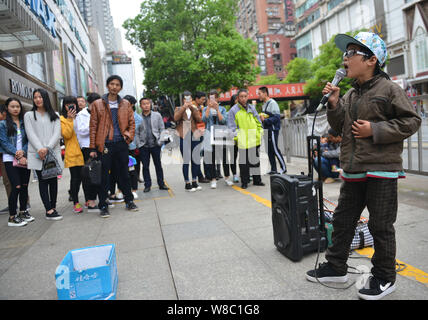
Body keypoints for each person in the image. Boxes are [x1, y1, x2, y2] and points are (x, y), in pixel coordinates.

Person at [305, 32, 421, 300]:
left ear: (371, 60)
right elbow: (338, 126)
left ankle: (384, 277)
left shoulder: (390, 90)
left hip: (381, 169)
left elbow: (412, 121)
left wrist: (375, 129)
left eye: (351, 53)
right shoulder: (350, 94)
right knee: (344, 219)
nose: (345, 58)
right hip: (354, 168)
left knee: (380, 225)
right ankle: (336, 266)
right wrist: (334, 104)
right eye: (345, 54)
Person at [89, 75, 138, 217]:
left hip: (121, 144)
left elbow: (131, 123)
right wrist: (93, 148)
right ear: (107, 85)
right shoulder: (98, 104)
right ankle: (103, 205)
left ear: (120, 87)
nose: (114, 87)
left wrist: (127, 137)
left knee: (124, 174)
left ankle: (129, 201)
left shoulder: (126, 104)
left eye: (117, 84)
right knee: (104, 177)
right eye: (112, 84)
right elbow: (93, 127)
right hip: (104, 145)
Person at [24, 88, 63, 221]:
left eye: (40, 97)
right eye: (35, 97)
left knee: (53, 180)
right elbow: (30, 134)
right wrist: (40, 149)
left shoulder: (55, 115)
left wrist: (47, 149)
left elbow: (56, 134)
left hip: (51, 153)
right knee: (43, 180)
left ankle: (53, 206)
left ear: (45, 98)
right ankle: (48, 210)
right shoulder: (29, 115)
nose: (38, 100)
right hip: (37, 153)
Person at [0, 98, 34, 226]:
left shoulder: (24, 123)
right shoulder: (2, 125)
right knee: (16, 186)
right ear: (7, 108)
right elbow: (3, 142)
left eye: (17, 106)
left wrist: (23, 153)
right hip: (10, 159)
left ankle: (23, 212)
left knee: (24, 185)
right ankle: (12, 217)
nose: (15, 109)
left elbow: (28, 140)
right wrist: (16, 153)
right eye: (12, 106)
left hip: (24, 158)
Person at [227, 89, 264, 189]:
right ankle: (244, 182)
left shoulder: (252, 108)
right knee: (244, 163)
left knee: (255, 161)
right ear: (238, 98)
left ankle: (257, 180)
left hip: (254, 138)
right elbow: (231, 127)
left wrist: (260, 132)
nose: (243, 98)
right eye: (241, 96)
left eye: (245, 96)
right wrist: (237, 138)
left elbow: (258, 121)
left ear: (248, 97)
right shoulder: (233, 110)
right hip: (242, 140)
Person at [136, 97, 169, 193]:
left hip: (155, 145)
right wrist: (139, 144)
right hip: (144, 146)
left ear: (150, 104)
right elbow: (136, 132)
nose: (146, 105)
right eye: (144, 104)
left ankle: (161, 184)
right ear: (141, 105)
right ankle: (147, 185)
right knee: (145, 167)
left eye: (147, 103)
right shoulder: (138, 117)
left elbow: (162, 129)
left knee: (158, 165)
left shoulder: (157, 115)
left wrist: (160, 141)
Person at [74, 92, 101, 212]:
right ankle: (90, 201)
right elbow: (81, 131)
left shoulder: (101, 113)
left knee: (99, 174)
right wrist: (94, 125)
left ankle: (100, 198)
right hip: (87, 148)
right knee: (89, 176)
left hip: (99, 146)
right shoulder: (81, 115)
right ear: (89, 104)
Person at [202, 90, 233, 189]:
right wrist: (208, 108)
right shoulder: (205, 109)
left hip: (220, 134)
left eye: (214, 98)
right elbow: (204, 120)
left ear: (218, 99)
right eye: (210, 98)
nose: (212, 100)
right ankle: (213, 179)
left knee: (224, 157)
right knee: (211, 158)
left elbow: (223, 121)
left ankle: (227, 177)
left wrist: (217, 109)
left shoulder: (222, 109)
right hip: (210, 134)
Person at [174, 91, 203, 192]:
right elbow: (176, 118)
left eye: (190, 99)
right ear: (183, 100)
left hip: (194, 135)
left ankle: (195, 181)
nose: (188, 101)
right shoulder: (178, 108)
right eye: (186, 99)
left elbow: (199, 120)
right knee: (186, 160)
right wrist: (183, 107)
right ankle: (187, 183)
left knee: (195, 160)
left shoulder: (194, 108)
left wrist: (193, 108)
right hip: (183, 136)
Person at [60, 96, 85, 213]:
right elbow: (67, 135)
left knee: (86, 178)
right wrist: (70, 119)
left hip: (84, 151)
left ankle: (90, 199)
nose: (70, 106)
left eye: (73, 104)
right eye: (67, 104)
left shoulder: (82, 116)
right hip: (73, 153)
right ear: (64, 106)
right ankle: (76, 201)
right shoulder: (62, 119)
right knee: (75, 179)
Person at [258, 86, 287, 174]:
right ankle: (273, 169)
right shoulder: (264, 104)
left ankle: (283, 168)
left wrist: (265, 120)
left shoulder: (272, 103)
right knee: (269, 150)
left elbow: (277, 118)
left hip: (273, 130)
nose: (258, 96)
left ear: (265, 93)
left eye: (259, 94)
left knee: (274, 149)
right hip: (266, 130)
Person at [194, 91, 210, 183]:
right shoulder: (192, 108)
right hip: (196, 135)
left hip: (204, 133)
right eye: (202, 99)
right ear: (197, 99)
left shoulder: (202, 108)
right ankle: (199, 176)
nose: (204, 101)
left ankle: (206, 175)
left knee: (205, 155)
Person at [0, 104, 12, 213]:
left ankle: (24, 203)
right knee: (7, 181)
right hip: (4, 156)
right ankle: (12, 203)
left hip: (9, 155)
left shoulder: (6, 124)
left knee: (12, 181)